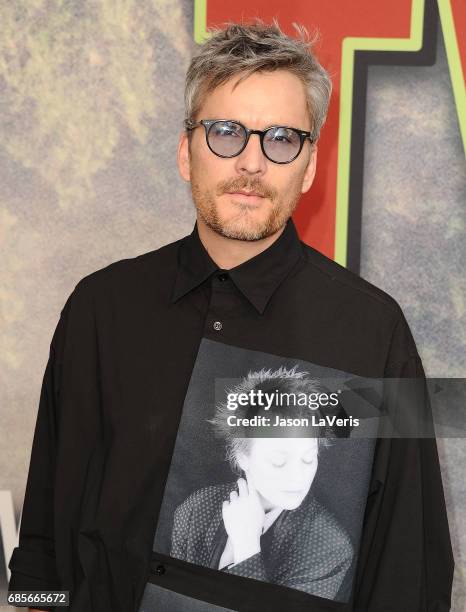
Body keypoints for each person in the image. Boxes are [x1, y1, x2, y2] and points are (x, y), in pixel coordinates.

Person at [9, 17, 453, 612]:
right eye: (225, 132)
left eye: (280, 139)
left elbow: (410, 566)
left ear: (310, 166)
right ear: (186, 152)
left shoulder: (374, 334)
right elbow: (42, 536)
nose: (251, 162)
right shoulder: (100, 309)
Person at [168, 366, 354, 602]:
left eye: (308, 458)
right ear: (242, 456)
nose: (299, 476)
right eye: (278, 460)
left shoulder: (329, 546)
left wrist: (247, 545)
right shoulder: (195, 509)